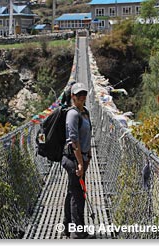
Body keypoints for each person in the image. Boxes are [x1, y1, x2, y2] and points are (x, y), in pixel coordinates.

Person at [61, 83, 94, 239]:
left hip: (81, 157)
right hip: (72, 159)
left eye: (84, 94)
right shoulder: (73, 114)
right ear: (72, 97)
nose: (82, 96)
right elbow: (74, 141)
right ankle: (78, 232)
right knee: (78, 194)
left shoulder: (85, 112)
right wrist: (80, 163)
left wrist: (88, 155)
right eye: (78, 94)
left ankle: (67, 227)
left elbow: (87, 136)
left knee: (73, 191)